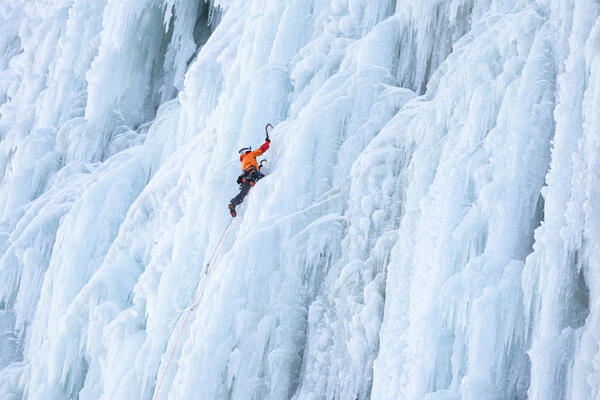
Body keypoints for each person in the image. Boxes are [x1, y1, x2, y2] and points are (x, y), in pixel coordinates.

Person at [228, 134, 270, 217]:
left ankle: (233, 204)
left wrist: (259, 167)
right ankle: (251, 180)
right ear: (247, 151)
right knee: (266, 181)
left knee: (242, 194)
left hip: (245, 176)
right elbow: (261, 150)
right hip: (251, 172)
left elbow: (251, 165)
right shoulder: (250, 155)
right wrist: (267, 142)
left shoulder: (244, 160)